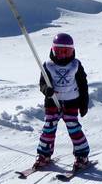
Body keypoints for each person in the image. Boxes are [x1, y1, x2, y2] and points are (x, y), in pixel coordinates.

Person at [34, 33, 90, 171]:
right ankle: (44, 155)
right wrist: (47, 90)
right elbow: (42, 83)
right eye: (59, 52)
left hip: (71, 102)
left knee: (73, 127)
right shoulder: (48, 65)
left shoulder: (75, 65)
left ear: (72, 51)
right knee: (48, 128)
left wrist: (83, 103)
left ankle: (82, 155)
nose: (63, 56)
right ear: (53, 50)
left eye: (66, 52)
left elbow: (83, 85)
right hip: (53, 102)